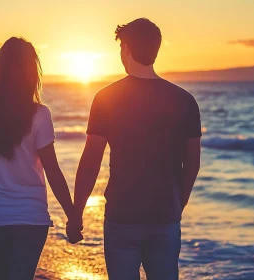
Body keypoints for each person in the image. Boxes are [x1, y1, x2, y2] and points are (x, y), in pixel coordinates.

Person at [69, 18, 202, 279]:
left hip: (122, 215)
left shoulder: (107, 98)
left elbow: (90, 162)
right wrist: (178, 204)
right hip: (165, 215)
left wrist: (76, 214)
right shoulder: (185, 100)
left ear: (126, 49)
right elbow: (193, 164)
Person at [0, 37, 82, 280]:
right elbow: (52, 171)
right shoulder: (40, 115)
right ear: (32, 72)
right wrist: (73, 216)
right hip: (29, 218)